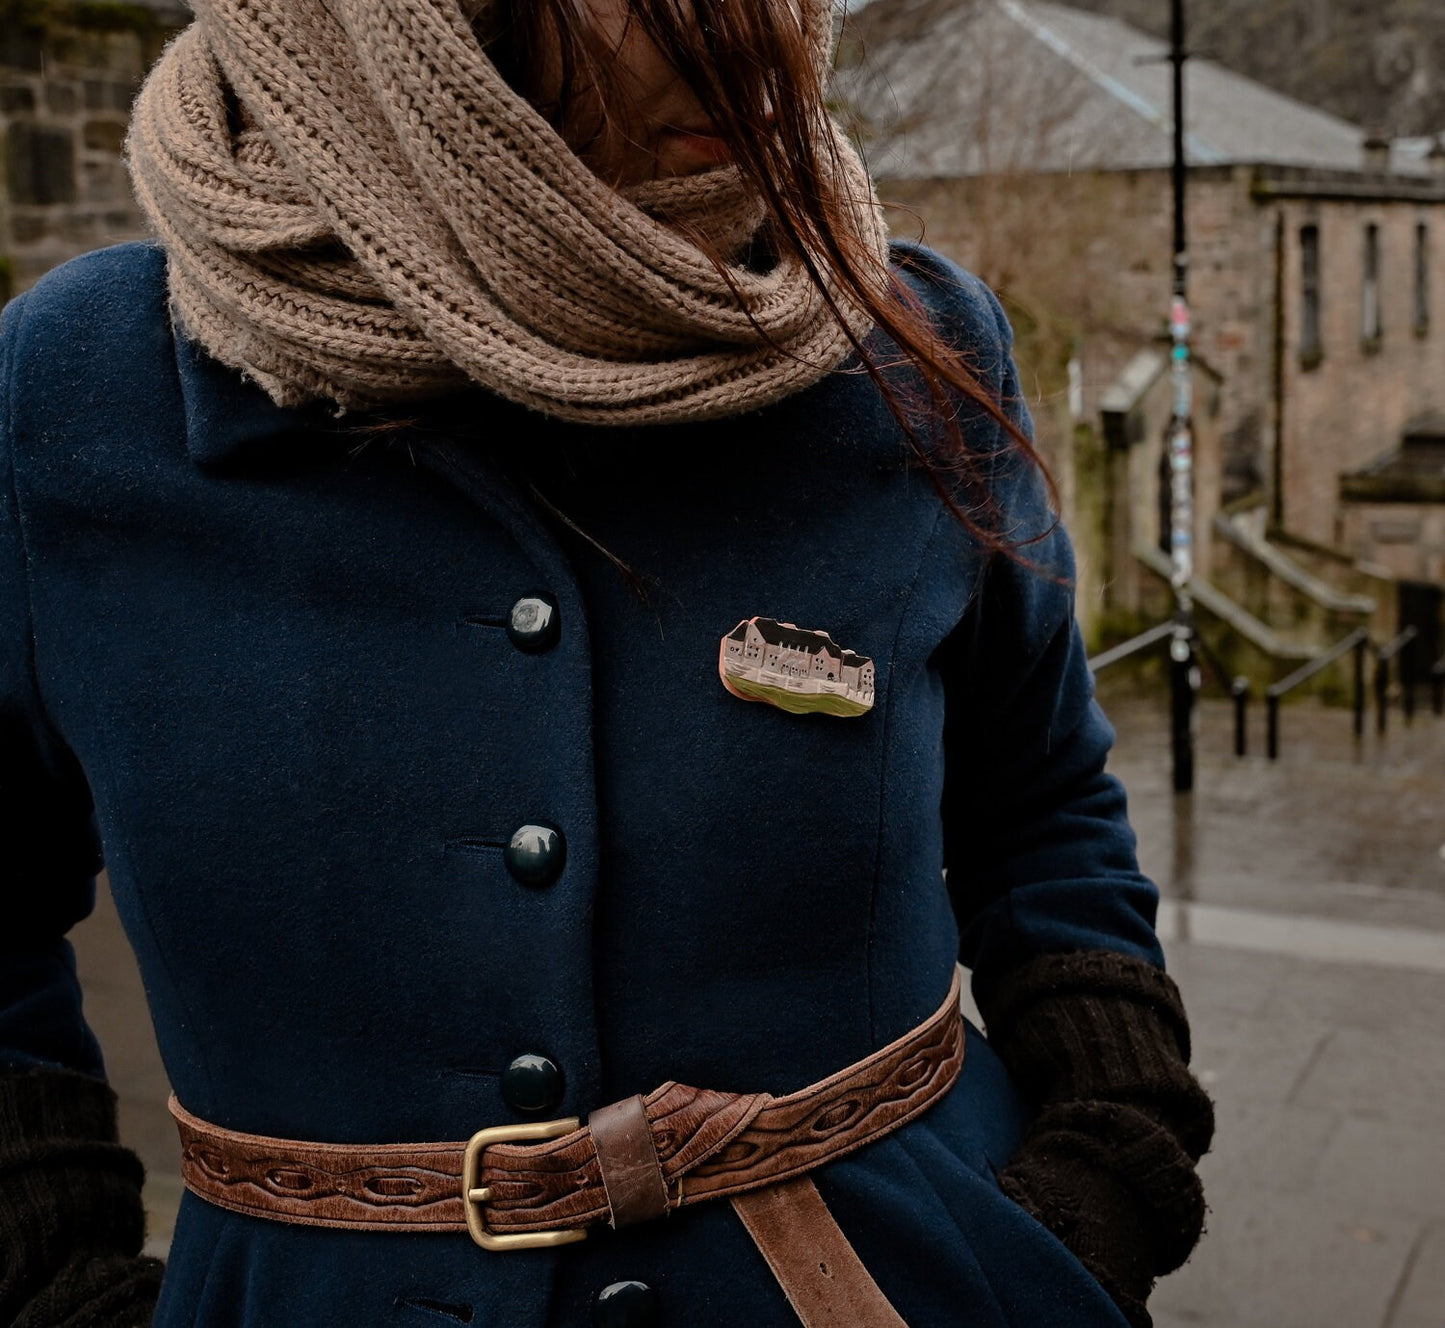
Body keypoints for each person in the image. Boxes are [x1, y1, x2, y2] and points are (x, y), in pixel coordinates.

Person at [0, 0, 1215, 1325]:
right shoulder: (71, 398)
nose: (755, 36)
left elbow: (1040, 807)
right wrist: (61, 1288)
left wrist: (1103, 1170)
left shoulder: (907, 349)